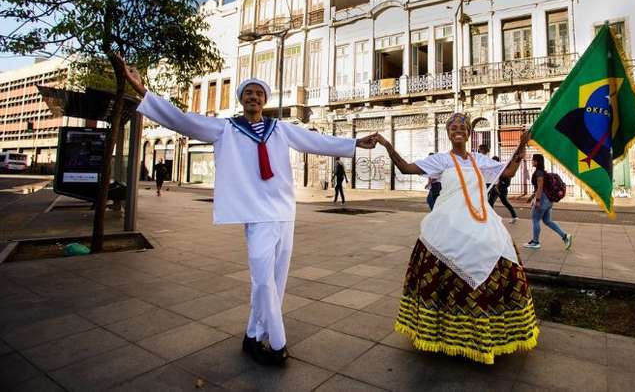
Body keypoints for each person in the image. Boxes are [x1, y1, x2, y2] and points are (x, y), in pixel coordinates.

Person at [118, 55, 377, 366]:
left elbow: (314, 141)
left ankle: (253, 336)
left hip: (283, 210)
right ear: (241, 100)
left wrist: (353, 143)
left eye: (259, 93)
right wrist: (142, 89)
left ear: (265, 100)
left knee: (276, 279)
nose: (254, 97)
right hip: (255, 214)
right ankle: (278, 344)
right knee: (263, 279)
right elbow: (182, 120)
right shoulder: (225, 128)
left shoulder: (279, 128)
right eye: (249, 93)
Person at [375, 113, 538, 364]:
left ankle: (487, 333)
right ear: (448, 133)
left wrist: (522, 144)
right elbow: (406, 168)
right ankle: (444, 334)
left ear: (469, 134)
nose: (458, 130)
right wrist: (388, 146)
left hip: (483, 222)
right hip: (448, 226)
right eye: (454, 127)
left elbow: (508, 172)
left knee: (502, 260)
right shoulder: (441, 160)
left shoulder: (480, 160)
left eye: (463, 127)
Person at [523, 154, 572, 250]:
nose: (532, 162)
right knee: (547, 221)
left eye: (533, 160)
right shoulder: (542, 172)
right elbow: (540, 187)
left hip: (542, 199)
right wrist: (532, 197)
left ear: (537, 161)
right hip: (548, 200)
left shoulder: (539, 173)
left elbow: (540, 187)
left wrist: (537, 200)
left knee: (535, 219)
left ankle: (535, 242)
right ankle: (565, 236)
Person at [489, 156, 518, 223]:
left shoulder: (503, 169)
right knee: (490, 202)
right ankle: (492, 218)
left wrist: (500, 185)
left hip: (502, 189)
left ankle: (514, 216)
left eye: (494, 161)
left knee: (505, 202)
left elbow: (507, 182)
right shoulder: (494, 169)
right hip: (495, 188)